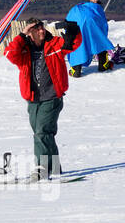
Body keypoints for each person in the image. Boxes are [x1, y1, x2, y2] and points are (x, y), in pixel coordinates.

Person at [5, 17, 82, 180]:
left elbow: (74, 44)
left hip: (52, 97)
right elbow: (10, 54)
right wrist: (21, 35)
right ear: (30, 32)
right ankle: (54, 168)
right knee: (43, 133)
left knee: (42, 131)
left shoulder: (54, 44)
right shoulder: (24, 49)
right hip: (33, 99)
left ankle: (42, 168)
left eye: (42, 27)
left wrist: (74, 30)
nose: (42, 30)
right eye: (37, 28)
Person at [66, 0, 114, 77]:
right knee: (100, 40)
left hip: (75, 20)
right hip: (89, 22)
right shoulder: (98, 8)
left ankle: (76, 70)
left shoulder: (80, 7)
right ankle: (103, 65)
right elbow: (103, 28)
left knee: (78, 43)